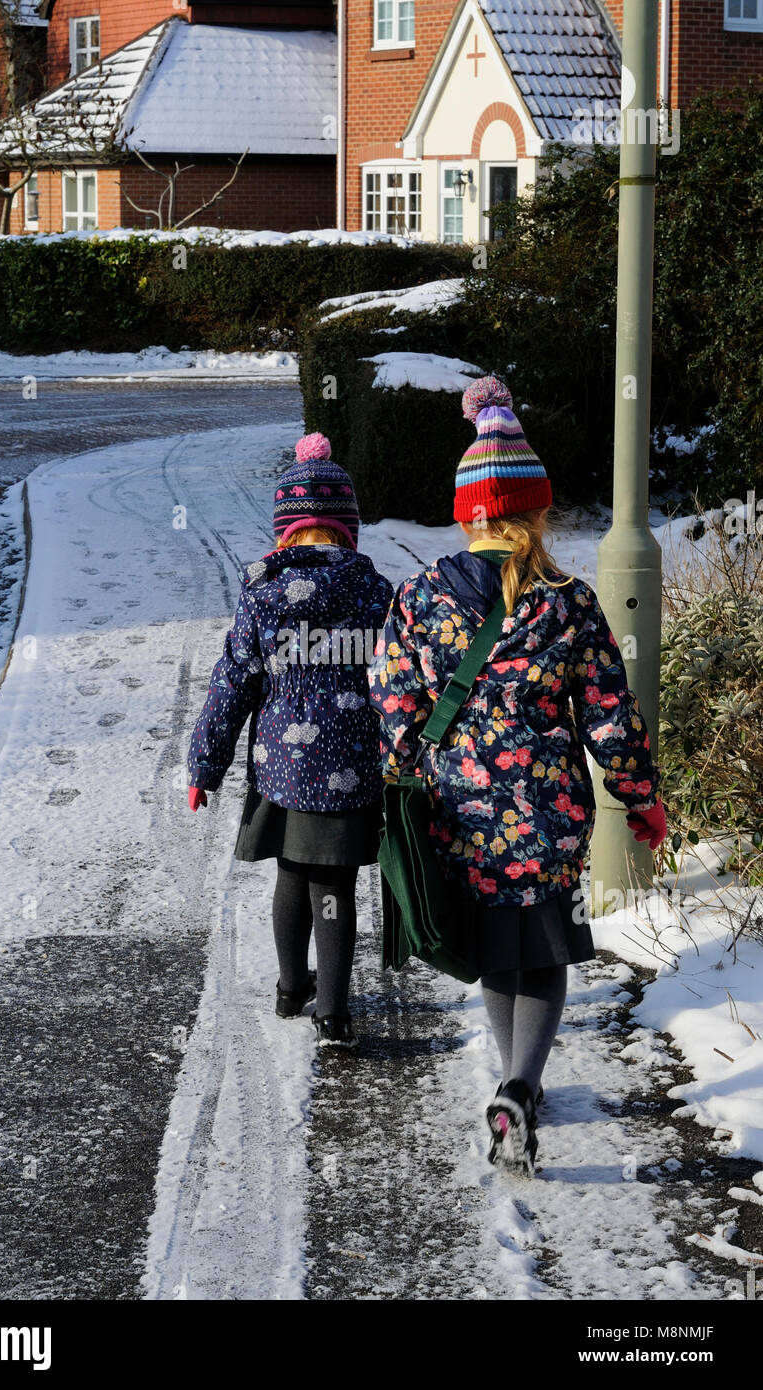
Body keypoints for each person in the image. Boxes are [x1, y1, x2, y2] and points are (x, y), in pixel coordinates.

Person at [367, 376, 667, 1174]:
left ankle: (513, 1087)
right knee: (543, 952)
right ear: (537, 511)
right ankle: (519, 1087)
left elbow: (392, 705)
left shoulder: (419, 595)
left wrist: (406, 776)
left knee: (500, 952)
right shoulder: (565, 602)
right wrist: (639, 797)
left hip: (456, 813)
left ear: (467, 514)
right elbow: (608, 711)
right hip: (548, 813)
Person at [187, 432, 393, 1050]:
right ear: (348, 529)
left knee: (291, 876)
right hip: (354, 769)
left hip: (284, 768)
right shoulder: (377, 595)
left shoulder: (264, 597)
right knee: (334, 885)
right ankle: (333, 1012)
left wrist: (205, 764)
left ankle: (287, 987)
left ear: (285, 531)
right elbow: (400, 683)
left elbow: (233, 685)